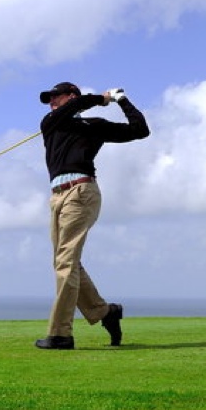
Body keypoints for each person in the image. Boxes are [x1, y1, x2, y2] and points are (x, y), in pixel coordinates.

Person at [34, 82, 150, 350]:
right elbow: (75, 106)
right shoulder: (51, 122)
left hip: (82, 192)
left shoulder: (93, 125)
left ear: (70, 95)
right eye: (49, 99)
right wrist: (102, 98)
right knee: (66, 262)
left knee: (65, 262)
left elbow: (140, 131)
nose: (51, 102)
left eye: (55, 97)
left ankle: (61, 334)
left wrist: (122, 101)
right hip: (56, 197)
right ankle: (105, 312)